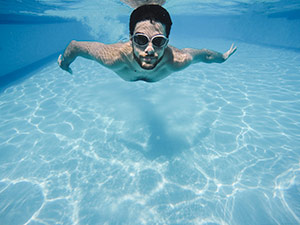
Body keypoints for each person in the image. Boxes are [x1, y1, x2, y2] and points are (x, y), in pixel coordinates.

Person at [58, 4, 237, 82]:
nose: (150, 49)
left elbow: (205, 55)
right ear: (131, 39)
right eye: (141, 40)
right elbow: (75, 46)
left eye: (158, 41)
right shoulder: (112, 57)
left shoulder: (178, 60)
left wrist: (223, 57)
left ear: (167, 42)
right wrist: (65, 63)